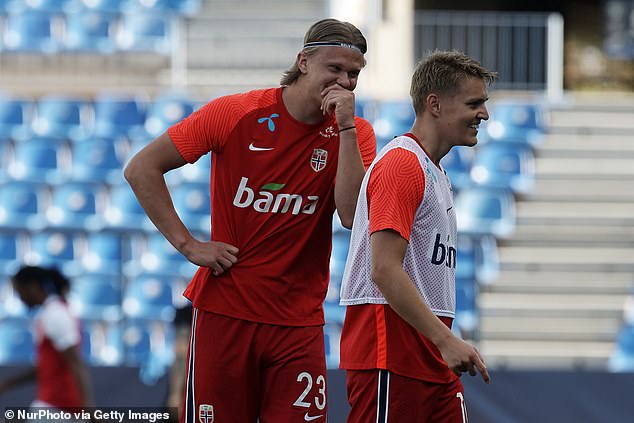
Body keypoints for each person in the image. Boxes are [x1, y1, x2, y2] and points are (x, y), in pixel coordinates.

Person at [124, 18, 376, 423]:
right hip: (225, 315)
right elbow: (141, 168)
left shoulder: (356, 133)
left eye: (354, 74)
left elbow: (350, 216)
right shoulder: (235, 113)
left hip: (298, 324)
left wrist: (345, 128)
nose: (345, 82)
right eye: (335, 69)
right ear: (304, 62)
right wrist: (189, 245)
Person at [338, 50, 496, 422]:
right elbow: (384, 270)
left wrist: (442, 342)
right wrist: (445, 341)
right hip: (391, 355)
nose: (484, 115)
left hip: (430, 356)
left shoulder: (434, 171)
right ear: (435, 105)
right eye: (474, 103)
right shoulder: (402, 165)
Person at [0, 266, 94, 413]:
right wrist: (9, 384)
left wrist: (88, 408)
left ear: (32, 287)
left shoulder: (55, 314)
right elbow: (47, 368)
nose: (20, 298)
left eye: (19, 291)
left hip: (58, 407)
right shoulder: (52, 313)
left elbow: (75, 363)